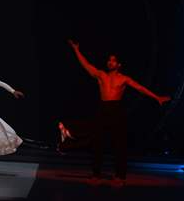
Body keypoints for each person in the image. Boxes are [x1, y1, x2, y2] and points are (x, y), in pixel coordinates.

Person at [62, 40, 171, 185]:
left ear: (119, 65)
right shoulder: (101, 75)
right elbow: (86, 65)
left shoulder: (124, 79)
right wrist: (76, 50)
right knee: (97, 142)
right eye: (109, 60)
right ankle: (96, 174)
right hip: (103, 108)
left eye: (113, 61)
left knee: (119, 143)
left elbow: (140, 88)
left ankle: (120, 176)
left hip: (116, 110)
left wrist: (157, 97)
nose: (110, 62)